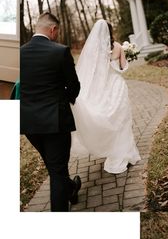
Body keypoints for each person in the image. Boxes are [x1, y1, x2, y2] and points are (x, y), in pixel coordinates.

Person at [20, 12, 81, 212]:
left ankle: (72, 188)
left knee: (55, 168)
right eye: (57, 32)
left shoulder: (19, 53)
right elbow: (74, 86)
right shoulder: (60, 51)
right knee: (57, 172)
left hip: (28, 124)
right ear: (53, 30)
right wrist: (67, 98)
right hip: (55, 122)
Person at [71, 19, 141, 174]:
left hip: (101, 89)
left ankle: (112, 149)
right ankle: (123, 152)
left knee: (109, 119)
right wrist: (125, 56)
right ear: (110, 31)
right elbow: (123, 68)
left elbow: (90, 73)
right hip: (116, 86)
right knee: (122, 120)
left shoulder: (94, 49)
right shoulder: (117, 47)